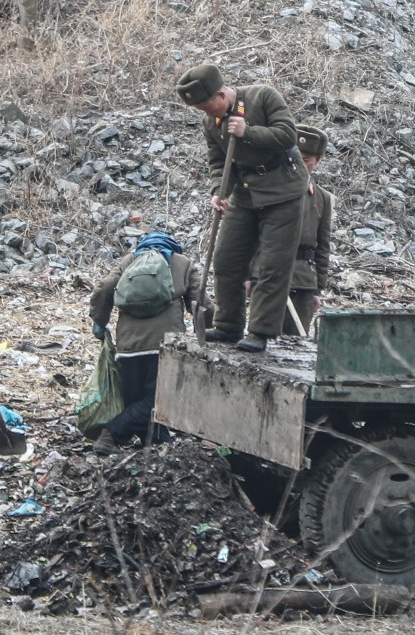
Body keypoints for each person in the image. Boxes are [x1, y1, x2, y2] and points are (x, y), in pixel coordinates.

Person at [176, 62, 305, 353]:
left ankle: (260, 331)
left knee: (272, 264)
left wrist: (248, 131)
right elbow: (217, 162)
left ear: (221, 95)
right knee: (226, 260)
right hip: (245, 195)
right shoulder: (211, 123)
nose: (208, 114)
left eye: (209, 107)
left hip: (283, 190)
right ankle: (228, 325)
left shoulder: (263, 96)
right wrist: (217, 192)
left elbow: (288, 135)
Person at [87, 229, 194, 454]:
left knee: (137, 398)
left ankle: (157, 440)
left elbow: (105, 288)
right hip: (165, 346)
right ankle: (111, 435)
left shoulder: (130, 261)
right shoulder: (182, 263)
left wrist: (100, 320)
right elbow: (202, 302)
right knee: (158, 401)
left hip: (128, 347)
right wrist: (213, 328)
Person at [283, 125, 335, 336]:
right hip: (272, 275)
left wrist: (318, 289)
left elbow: (323, 246)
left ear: (317, 161)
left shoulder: (322, 198)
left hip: (305, 280)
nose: (299, 164)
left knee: (296, 341)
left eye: (306, 160)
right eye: (295, 157)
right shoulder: (272, 188)